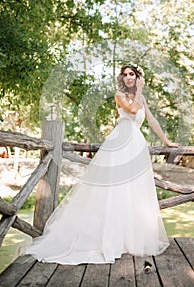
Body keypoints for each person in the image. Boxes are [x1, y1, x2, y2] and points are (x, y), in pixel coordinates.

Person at [25, 63, 180, 265]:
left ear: (137, 76)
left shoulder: (142, 98)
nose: (128, 78)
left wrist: (167, 141)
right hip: (121, 142)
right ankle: (105, 238)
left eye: (131, 74)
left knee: (133, 191)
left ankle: (128, 239)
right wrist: (140, 90)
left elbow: (150, 120)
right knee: (113, 189)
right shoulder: (120, 95)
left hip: (137, 145)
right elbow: (132, 110)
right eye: (125, 75)